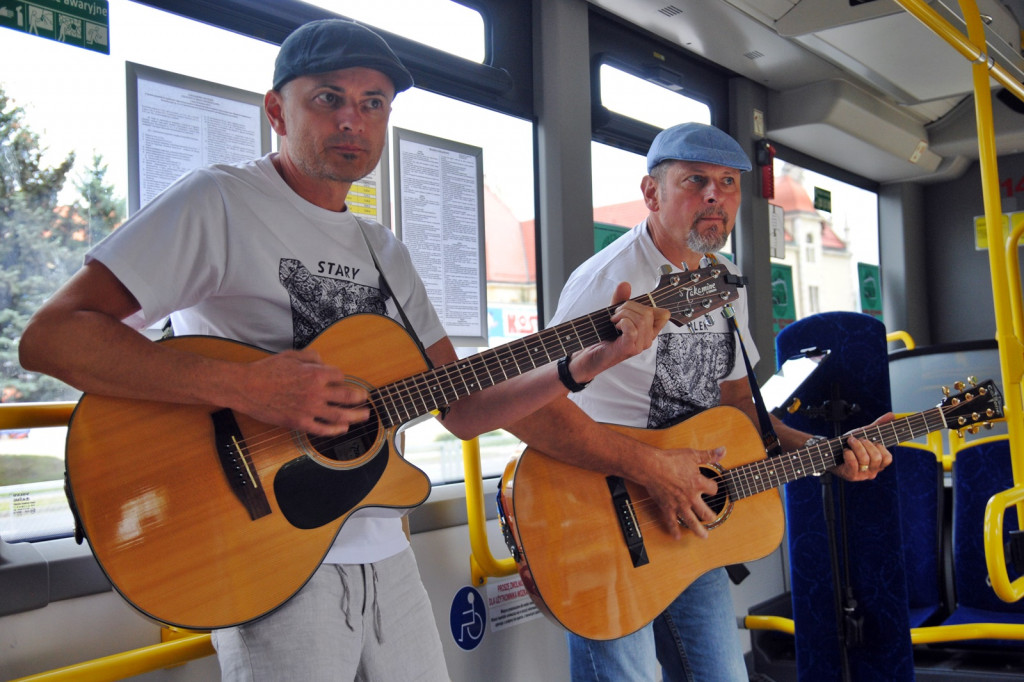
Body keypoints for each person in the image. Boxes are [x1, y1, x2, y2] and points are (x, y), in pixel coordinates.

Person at [17, 19, 669, 682]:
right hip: (264, 551)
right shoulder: (219, 201)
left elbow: (461, 408)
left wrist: (581, 365)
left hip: (383, 550)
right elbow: (53, 337)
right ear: (277, 110)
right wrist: (249, 388)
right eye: (328, 99)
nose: (352, 121)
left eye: (373, 104)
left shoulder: (383, 250)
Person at [507, 122, 894, 682]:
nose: (715, 196)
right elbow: (535, 410)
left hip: (689, 515)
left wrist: (827, 450)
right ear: (651, 193)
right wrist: (652, 469)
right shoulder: (607, 281)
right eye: (694, 181)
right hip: (597, 515)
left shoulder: (722, 282)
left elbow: (740, 408)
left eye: (728, 183)